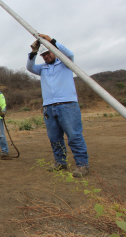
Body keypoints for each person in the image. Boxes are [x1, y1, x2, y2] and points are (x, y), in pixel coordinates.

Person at [26, 34, 90, 177]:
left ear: (53, 51)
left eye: (48, 53)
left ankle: (82, 165)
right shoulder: (43, 68)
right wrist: (34, 52)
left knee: (74, 135)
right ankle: (60, 162)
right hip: (49, 107)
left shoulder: (65, 63)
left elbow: (70, 54)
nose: (46, 56)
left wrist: (51, 41)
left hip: (67, 105)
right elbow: (29, 67)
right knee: (54, 137)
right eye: (43, 55)